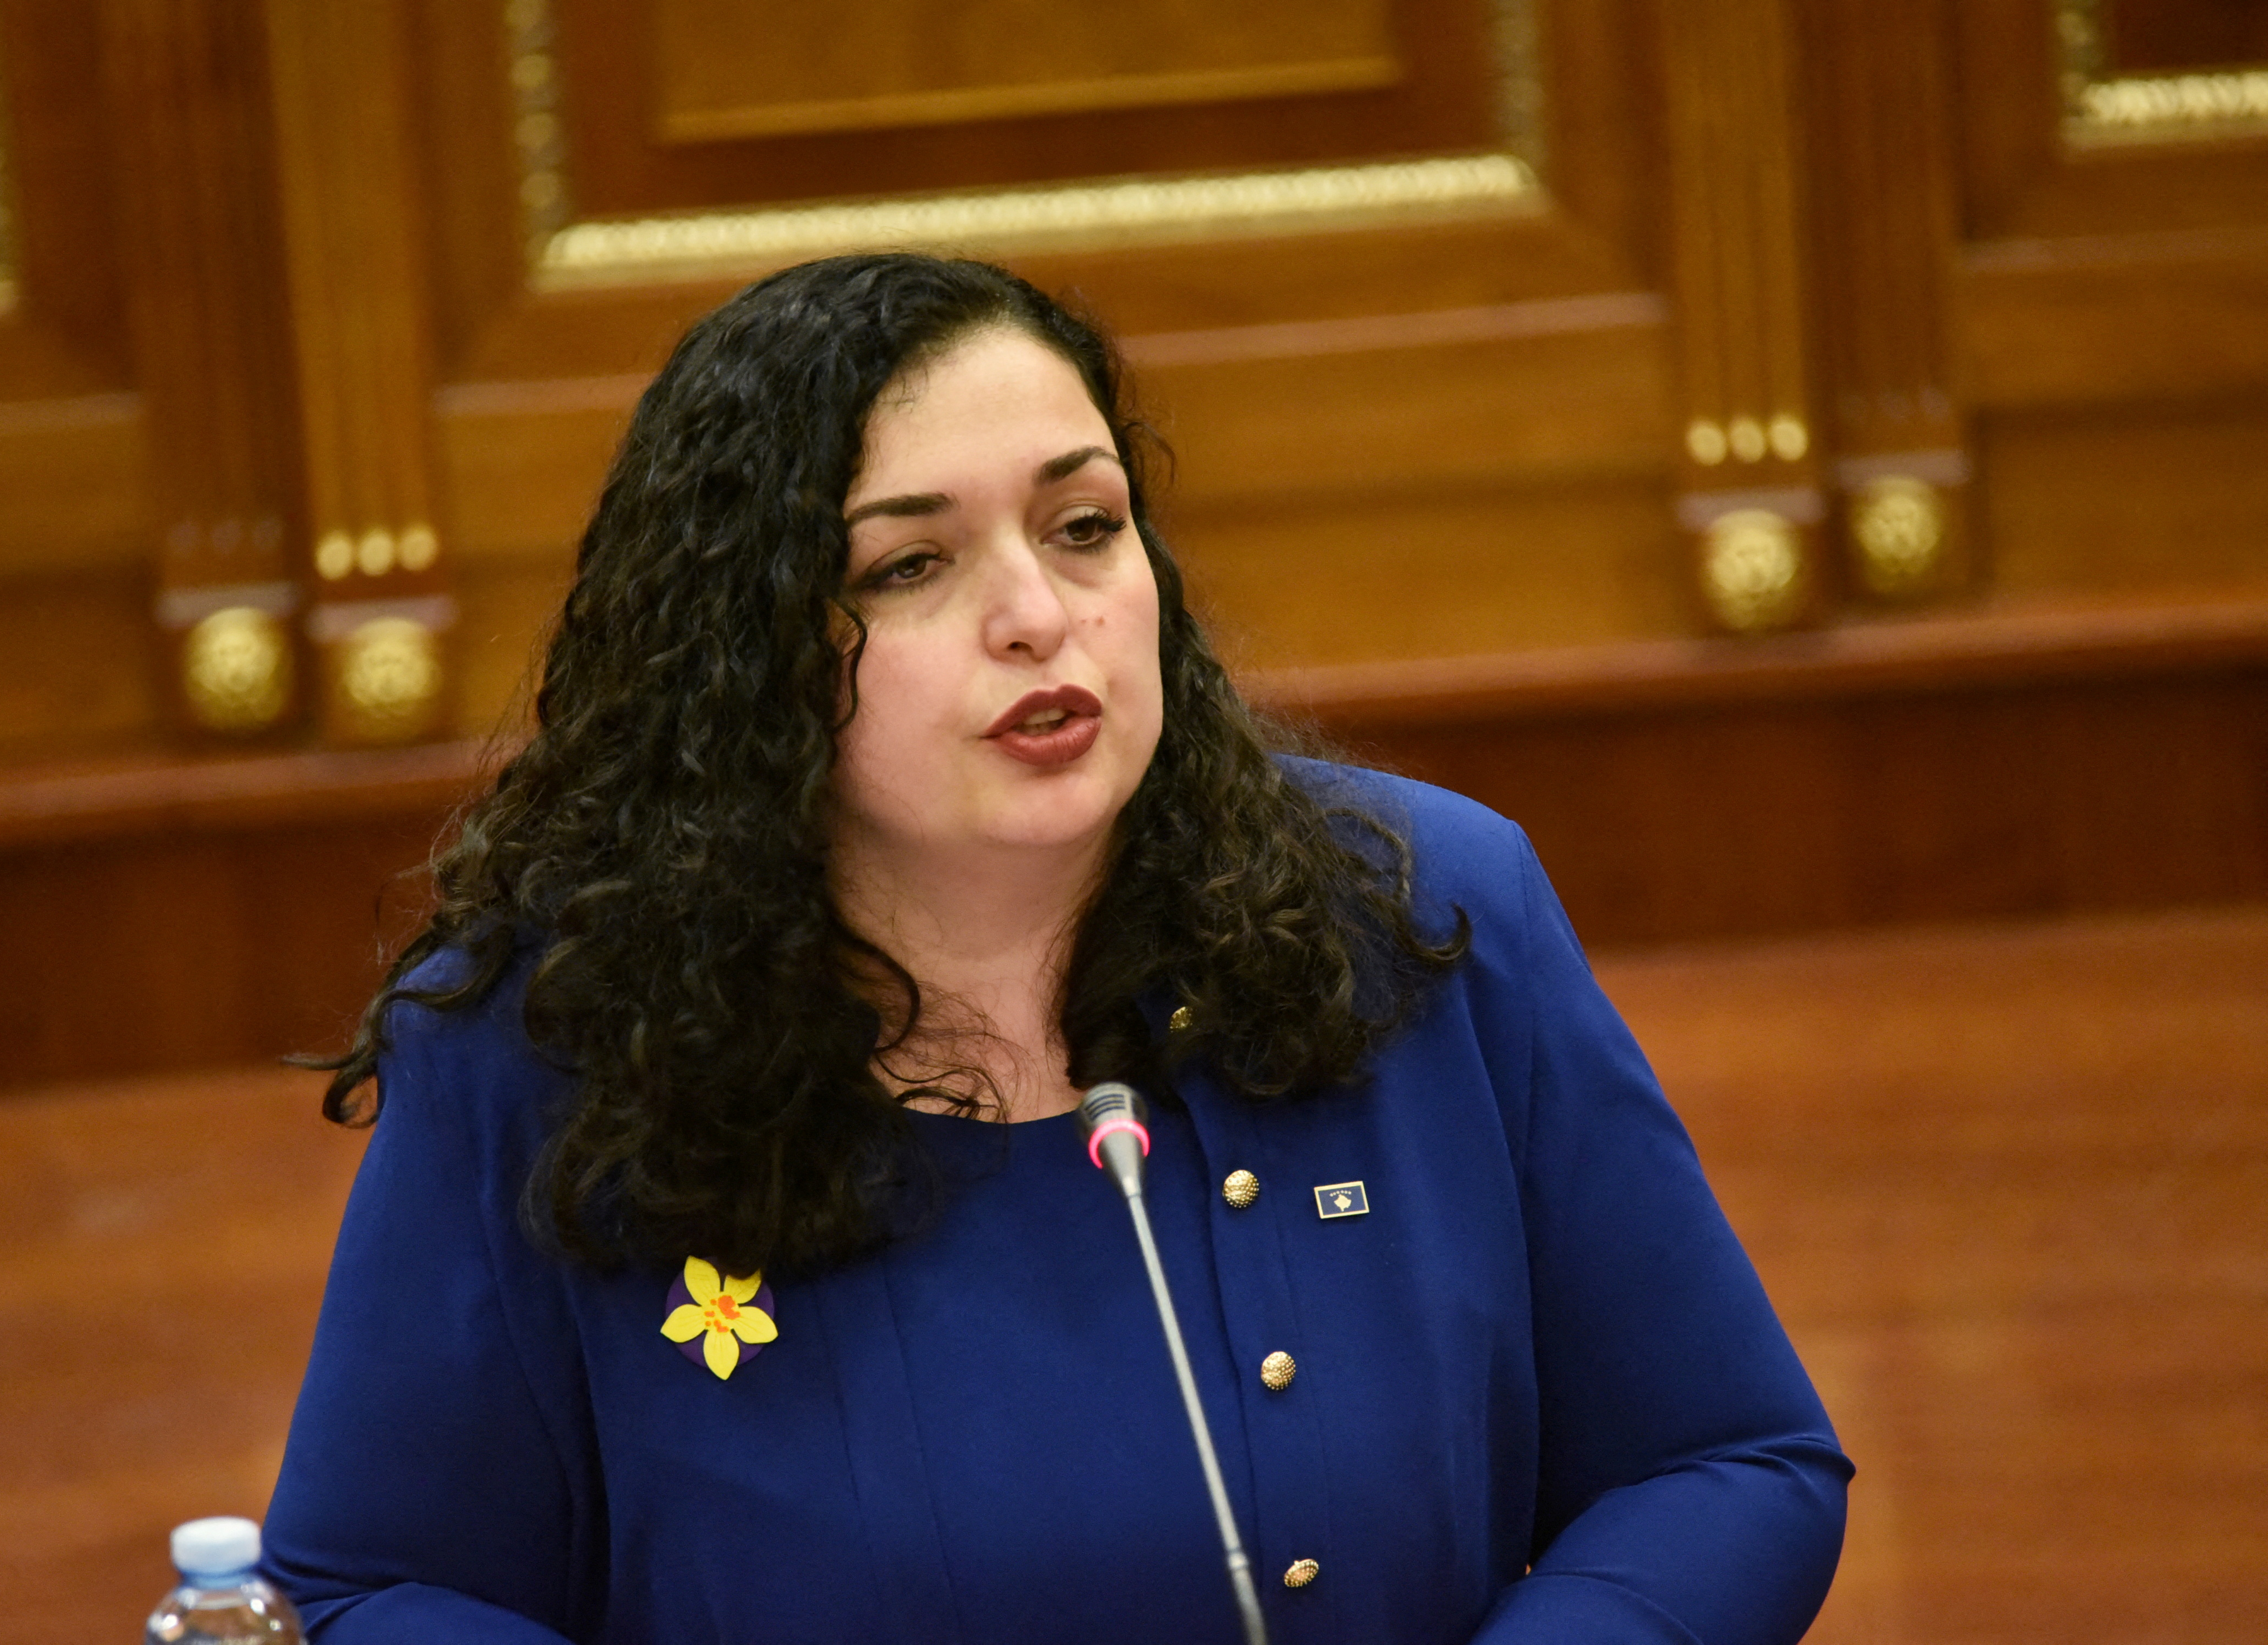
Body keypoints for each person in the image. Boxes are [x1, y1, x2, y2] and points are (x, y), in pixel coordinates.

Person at [262, 253, 1850, 1643]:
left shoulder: (1423, 914)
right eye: (911, 565)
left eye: (1085, 526)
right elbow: (373, 1585)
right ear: (744, 662)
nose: (1040, 612)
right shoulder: (547, 1039)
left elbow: (1722, 1466)